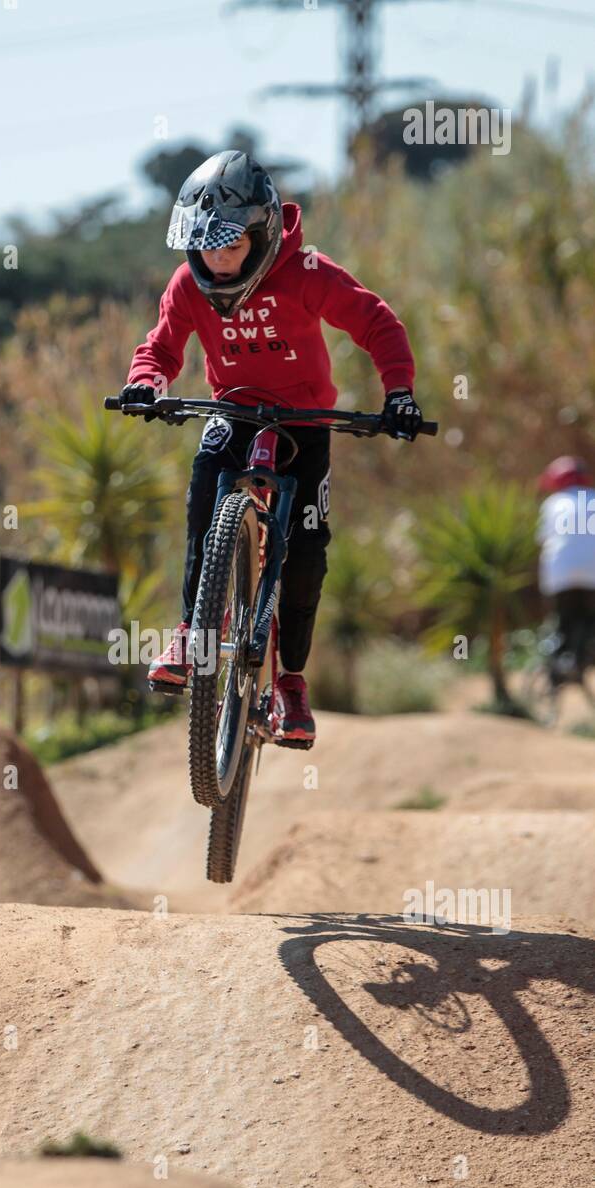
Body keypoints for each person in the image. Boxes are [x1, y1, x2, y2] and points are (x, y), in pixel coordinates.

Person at [118, 148, 422, 745]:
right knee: (204, 503)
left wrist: (400, 394)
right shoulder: (188, 284)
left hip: (305, 421)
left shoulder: (307, 272)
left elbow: (376, 322)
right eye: (206, 245)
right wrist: (146, 383)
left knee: (307, 550)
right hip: (232, 410)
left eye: (231, 245)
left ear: (263, 233)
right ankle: (192, 632)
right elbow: (161, 347)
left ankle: (290, 683)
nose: (218, 260)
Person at [536, 456, 595, 679]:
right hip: (593, 572)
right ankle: (581, 658)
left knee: (563, 620)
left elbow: (542, 540)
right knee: (588, 618)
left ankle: (559, 664)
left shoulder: (552, 504)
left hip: (560, 574)